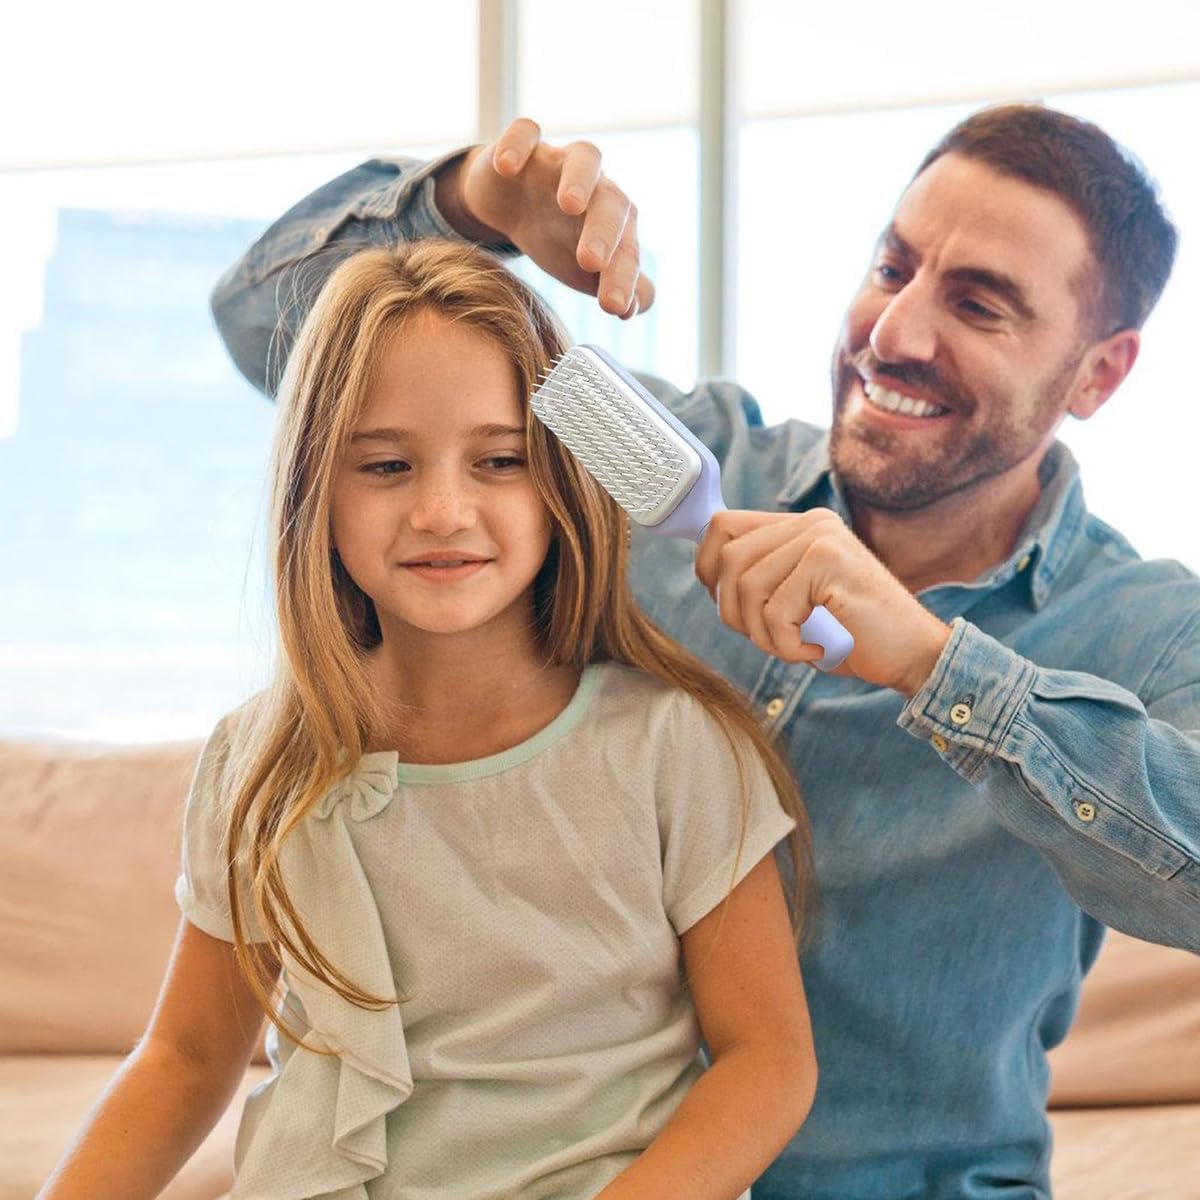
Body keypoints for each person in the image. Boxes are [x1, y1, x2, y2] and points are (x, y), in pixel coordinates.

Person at [207, 104, 1200, 1199]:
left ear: (1099, 375)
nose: (895, 332)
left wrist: (936, 667)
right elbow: (270, 327)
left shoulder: (1148, 629)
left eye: (978, 305)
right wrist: (472, 204)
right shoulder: (668, 463)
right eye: (892, 268)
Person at [38, 241, 820, 1200]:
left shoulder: (673, 746)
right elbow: (188, 1056)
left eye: (499, 461)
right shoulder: (259, 757)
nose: (443, 510)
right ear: (315, 492)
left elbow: (767, 1062)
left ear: (563, 483)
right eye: (387, 465)